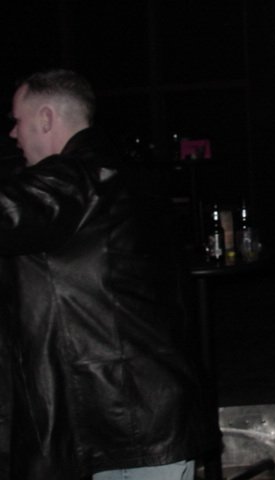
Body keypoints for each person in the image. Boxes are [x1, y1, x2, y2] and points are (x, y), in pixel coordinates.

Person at [3, 69, 209, 479]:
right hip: (141, 411)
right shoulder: (124, 175)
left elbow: (10, 212)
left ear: (46, 118)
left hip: (128, 418)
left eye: (17, 121)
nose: (12, 133)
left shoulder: (76, 178)